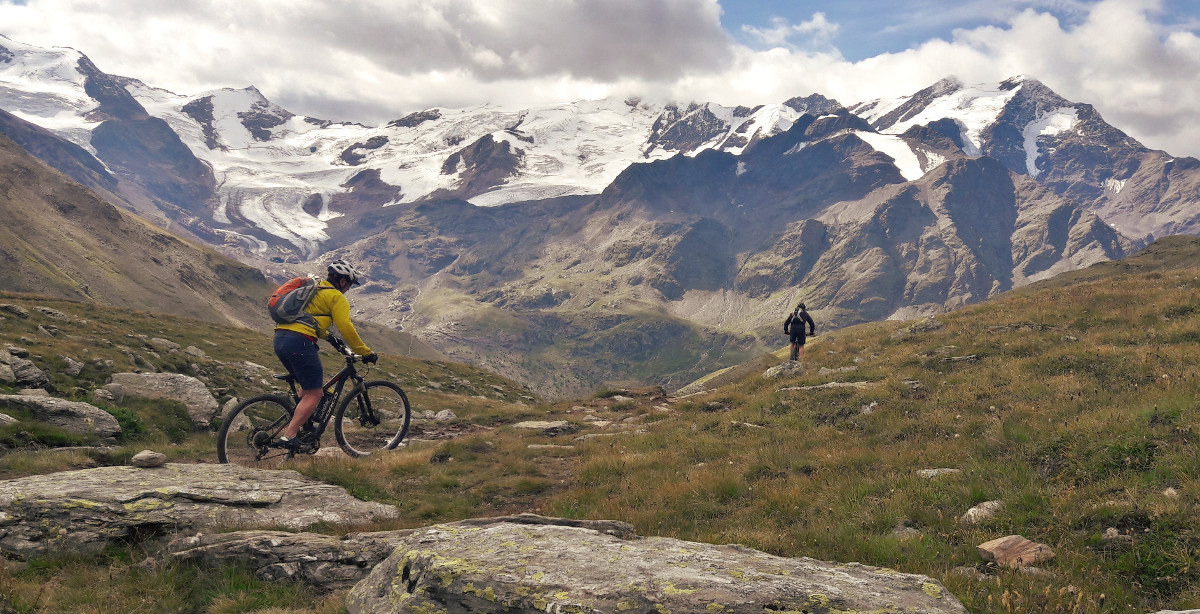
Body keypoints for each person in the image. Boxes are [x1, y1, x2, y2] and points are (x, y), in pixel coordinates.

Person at [273, 259, 377, 447]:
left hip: (280, 339)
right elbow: (346, 327)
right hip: (300, 342)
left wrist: (330, 338)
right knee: (315, 393)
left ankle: (305, 426)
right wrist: (365, 352)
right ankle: (289, 436)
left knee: (307, 386)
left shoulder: (313, 292)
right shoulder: (336, 297)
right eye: (349, 285)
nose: (348, 289)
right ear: (343, 281)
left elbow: (309, 321)